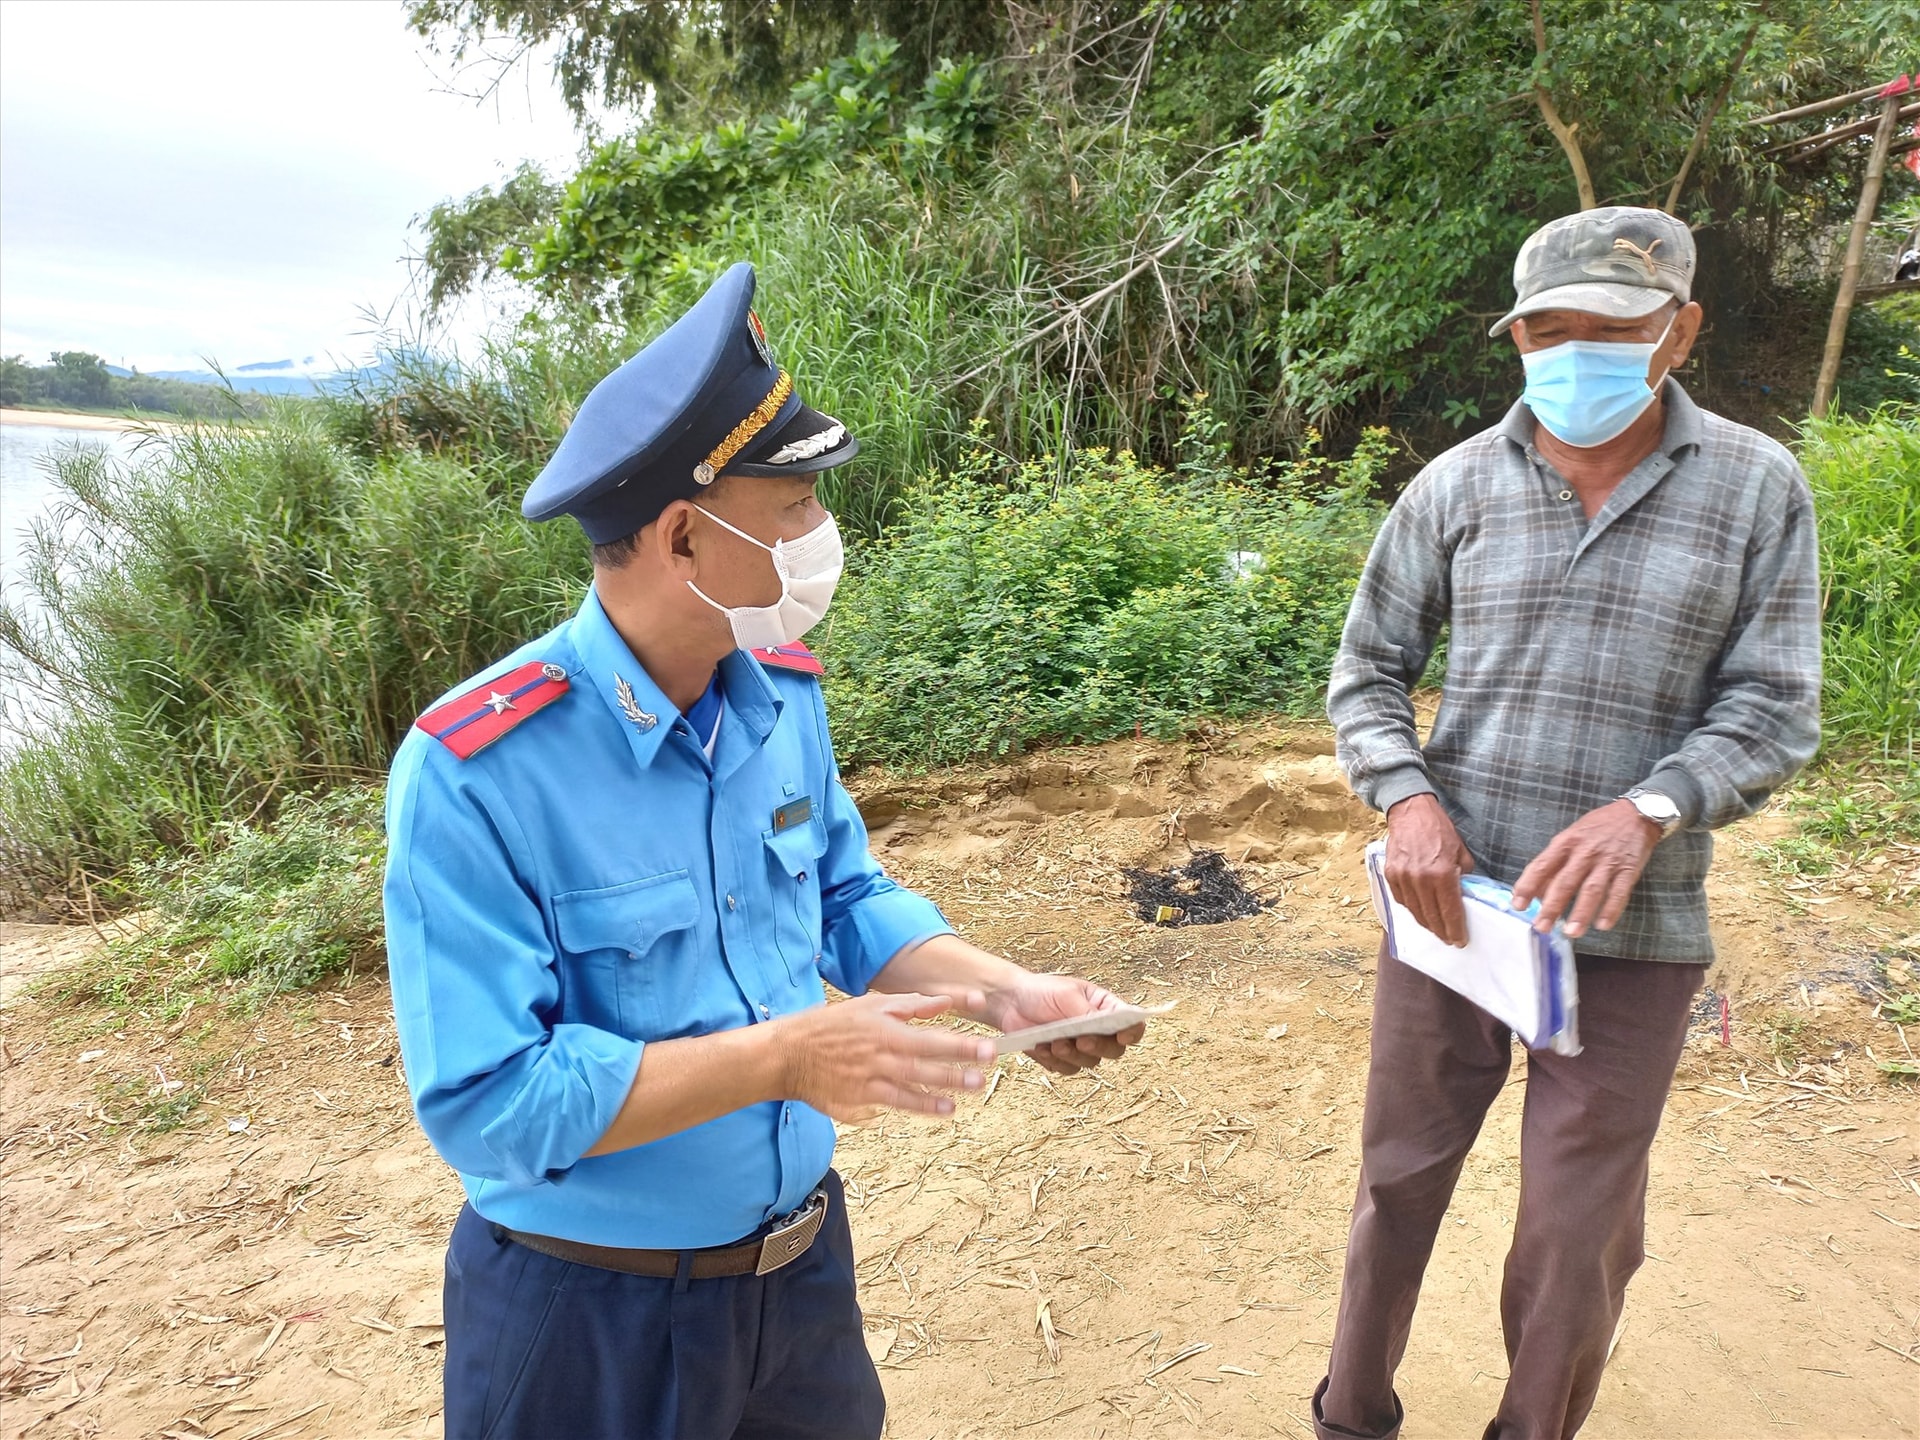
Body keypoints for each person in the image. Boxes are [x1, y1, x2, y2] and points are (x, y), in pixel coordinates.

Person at [383, 262, 1145, 1440]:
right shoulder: (480, 767)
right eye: (793, 508)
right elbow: (490, 1104)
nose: (821, 534)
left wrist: (1005, 993)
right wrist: (783, 1057)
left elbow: (844, 893)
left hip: (796, 1282)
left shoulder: (778, 698)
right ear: (685, 538)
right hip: (592, 1323)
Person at [1314, 208, 1821, 1440]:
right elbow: (1367, 670)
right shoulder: (1458, 484)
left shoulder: (1758, 490)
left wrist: (1650, 811)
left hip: (1635, 927)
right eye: (1548, 330)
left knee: (1577, 1227)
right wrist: (1409, 799)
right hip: (1455, 909)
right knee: (1399, 1177)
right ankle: (1351, 1414)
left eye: (1611, 328)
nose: (1573, 353)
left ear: (1680, 332)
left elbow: (1776, 705)